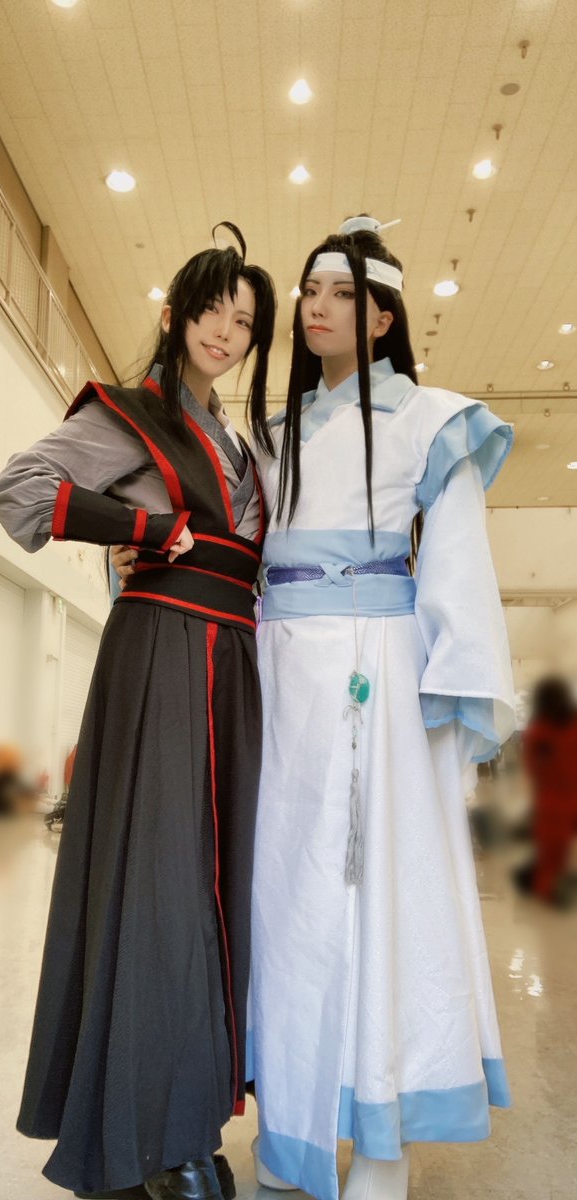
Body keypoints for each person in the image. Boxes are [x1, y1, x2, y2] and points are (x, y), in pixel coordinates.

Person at [0, 224, 276, 1200]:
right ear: (175, 312)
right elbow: (20, 491)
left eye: (244, 322)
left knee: (217, 888)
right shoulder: (131, 416)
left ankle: (183, 1114)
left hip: (233, 667)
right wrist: (140, 526)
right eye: (212, 310)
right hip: (161, 659)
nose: (225, 332)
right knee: (163, 891)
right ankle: (161, 1134)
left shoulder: (240, 443)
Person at [248, 216, 516, 1200]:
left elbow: (457, 564)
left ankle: (383, 1143)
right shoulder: (268, 436)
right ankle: (293, 1132)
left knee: (378, 889)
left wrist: (456, 691)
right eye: (310, 292)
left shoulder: (430, 419)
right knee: (286, 898)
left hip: (378, 675)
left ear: (383, 317)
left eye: (343, 295)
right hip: (280, 677)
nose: (317, 308)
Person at [522, 675, 577, 903]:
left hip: (555, 801)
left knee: (552, 853)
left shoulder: (539, 731)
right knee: (552, 854)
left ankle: (547, 890)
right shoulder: (540, 731)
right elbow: (534, 768)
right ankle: (546, 891)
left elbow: (534, 768)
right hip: (554, 801)